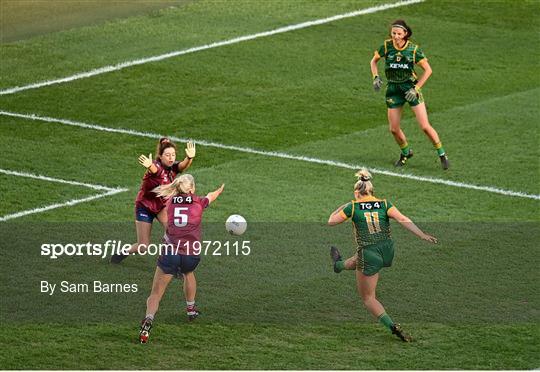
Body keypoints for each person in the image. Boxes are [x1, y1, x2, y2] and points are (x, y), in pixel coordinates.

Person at [328, 168, 437, 342]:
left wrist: (344, 206)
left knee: (368, 298)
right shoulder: (385, 204)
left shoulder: (353, 206)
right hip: (387, 251)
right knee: (358, 259)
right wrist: (422, 234)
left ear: (357, 192)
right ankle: (338, 265)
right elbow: (402, 219)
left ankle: (393, 326)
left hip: (369, 254)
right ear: (372, 190)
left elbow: (331, 221)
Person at [138, 174, 224, 344]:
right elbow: (210, 196)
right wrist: (219, 190)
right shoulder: (198, 202)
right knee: (188, 272)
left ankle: (148, 319)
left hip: (170, 254)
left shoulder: (169, 203)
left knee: (155, 294)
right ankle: (191, 309)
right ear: (192, 189)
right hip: (191, 256)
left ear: (176, 188)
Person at [370, 19, 450, 170]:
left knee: (425, 126)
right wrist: (375, 76)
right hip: (393, 89)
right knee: (393, 129)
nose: (396, 36)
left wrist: (417, 88)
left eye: (399, 33)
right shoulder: (386, 46)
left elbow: (428, 70)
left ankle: (442, 154)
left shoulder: (413, 50)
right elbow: (373, 62)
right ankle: (406, 152)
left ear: (405, 34)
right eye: (394, 33)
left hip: (410, 89)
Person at [110, 137, 196, 264]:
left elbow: (182, 166)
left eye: (173, 155)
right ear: (160, 157)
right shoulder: (157, 167)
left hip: (161, 206)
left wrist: (189, 158)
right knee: (143, 246)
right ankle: (123, 252)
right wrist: (149, 165)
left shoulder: (172, 167)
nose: (171, 158)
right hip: (144, 206)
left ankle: (173, 263)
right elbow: (155, 170)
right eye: (167, 155)